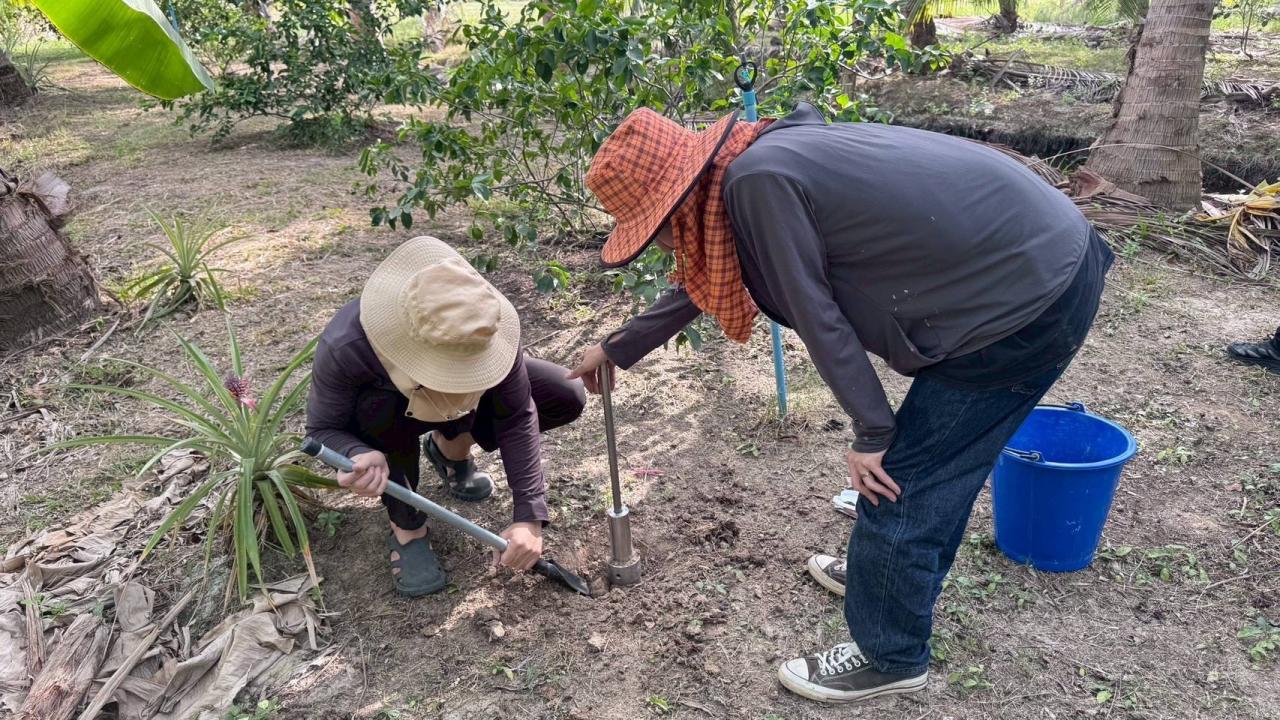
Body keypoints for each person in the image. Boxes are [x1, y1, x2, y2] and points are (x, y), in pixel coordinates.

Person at [570, 103, 1113, 703]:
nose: (662, 243)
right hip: (1049, 262)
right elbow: (714, 270)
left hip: (1022, 304)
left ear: (679, 202)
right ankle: (886, 585)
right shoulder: (759, 159)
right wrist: (619, 347)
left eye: (654, 229)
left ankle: (890, 655)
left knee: (901, 483)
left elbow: (816, 312)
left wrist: (873, 431)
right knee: (938, 472)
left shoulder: (758, 184)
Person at [307, 237, 586, 597]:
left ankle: (449, 450)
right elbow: (322, 428)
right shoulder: (348, 345)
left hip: (457, 407)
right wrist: (356, 452)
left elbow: (517, 415)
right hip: (391, 420)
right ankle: (407, 527)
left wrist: (529, 516)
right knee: (376, 411)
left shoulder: (481, 319)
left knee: (563, 392)